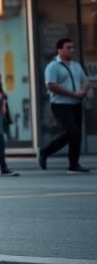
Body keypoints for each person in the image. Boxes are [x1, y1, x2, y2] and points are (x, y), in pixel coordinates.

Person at [37, 38, 90, 173]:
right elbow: (51, 85)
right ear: (59, 49)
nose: (72, 50)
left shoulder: (76, 66)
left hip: (76, 104)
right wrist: (72, 94)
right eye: (68, 47)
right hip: (61, 104)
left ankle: (73, 164)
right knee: (73, 132)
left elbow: (85, 81)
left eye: (73, 47)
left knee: (75, 134)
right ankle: (47, 153)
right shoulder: (52, 66)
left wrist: (82, 91)